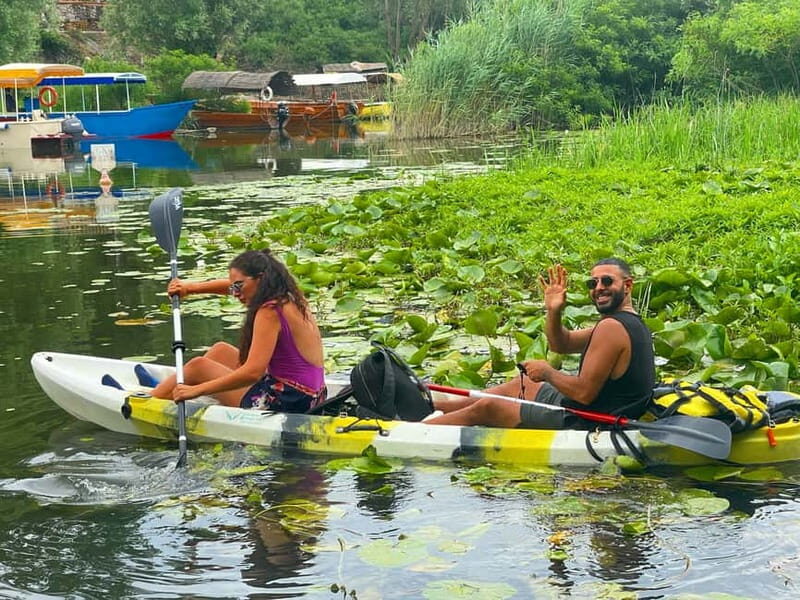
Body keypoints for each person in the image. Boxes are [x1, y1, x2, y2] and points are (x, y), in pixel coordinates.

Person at [426, 258, 655, 428]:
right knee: (519, 385)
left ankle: (414, 432)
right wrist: (553, 310)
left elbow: (584, 393)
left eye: (607, 281)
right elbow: (561, 344)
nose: (598, 288)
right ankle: (429, 409)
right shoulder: (624, 323)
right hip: (587, 406)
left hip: (589, 418)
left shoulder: (611, 327)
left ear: (627, 285)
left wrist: (547, 372)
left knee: (489, 408)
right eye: (592, 283)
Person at [150, 249, 326, 412]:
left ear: (261, 279)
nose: (235, 293)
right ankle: (171, 389)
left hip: (289, 402)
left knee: (198, 367)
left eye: (238, 287)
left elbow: (252, 373)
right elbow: (230, 285)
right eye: (233, 288)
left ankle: (148, 401)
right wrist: (190, 288)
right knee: (220, 351)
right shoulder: (290, 294)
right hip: (313, 395)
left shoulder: (270, 311)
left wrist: (196, 390)